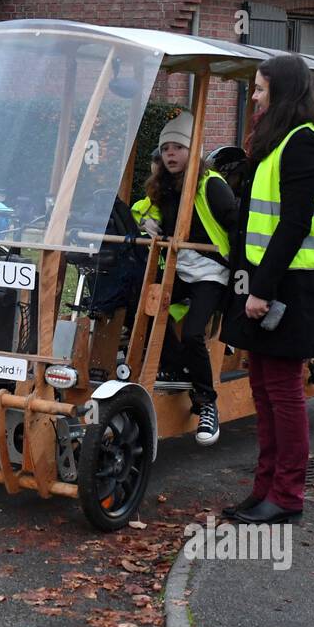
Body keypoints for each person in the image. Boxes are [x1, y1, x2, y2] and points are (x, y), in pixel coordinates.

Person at [220, 54, 314, 525]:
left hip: (291, 284)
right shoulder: (278, 138)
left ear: (283, 92)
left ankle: (287, 496)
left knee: (283, 392)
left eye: (261, 88)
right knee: (263, 389)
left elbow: (294, 224)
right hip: (263, 279)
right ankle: (264, 488)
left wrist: (260, 289)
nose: (254, 96)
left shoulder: (305, 142)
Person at [131, 114, 240, 446]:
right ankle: (176, 369)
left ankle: (207, 403)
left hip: (212, 272)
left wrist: (241, 274)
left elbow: (237, 224)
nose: (171, 154)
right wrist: (147, 224)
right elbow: (142, 210)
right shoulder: (162, 186)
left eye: (178, 147)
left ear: (194, 151)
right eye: (166, 148)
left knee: (194, 331)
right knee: (142, 307)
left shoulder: (211, 184)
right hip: (180, 269)